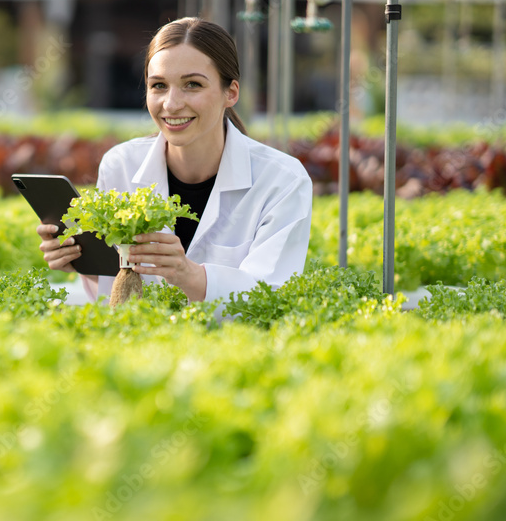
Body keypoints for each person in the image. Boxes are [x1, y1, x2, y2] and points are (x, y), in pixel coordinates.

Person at [37, 16, 312, 305]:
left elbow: (270, 298)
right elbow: (118, 294)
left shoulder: (282, 180)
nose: (171, 103)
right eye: (159, 86)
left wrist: (188, 274)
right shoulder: (120, 165)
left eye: (192, 84)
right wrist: (83, 263)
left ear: (230, 93)